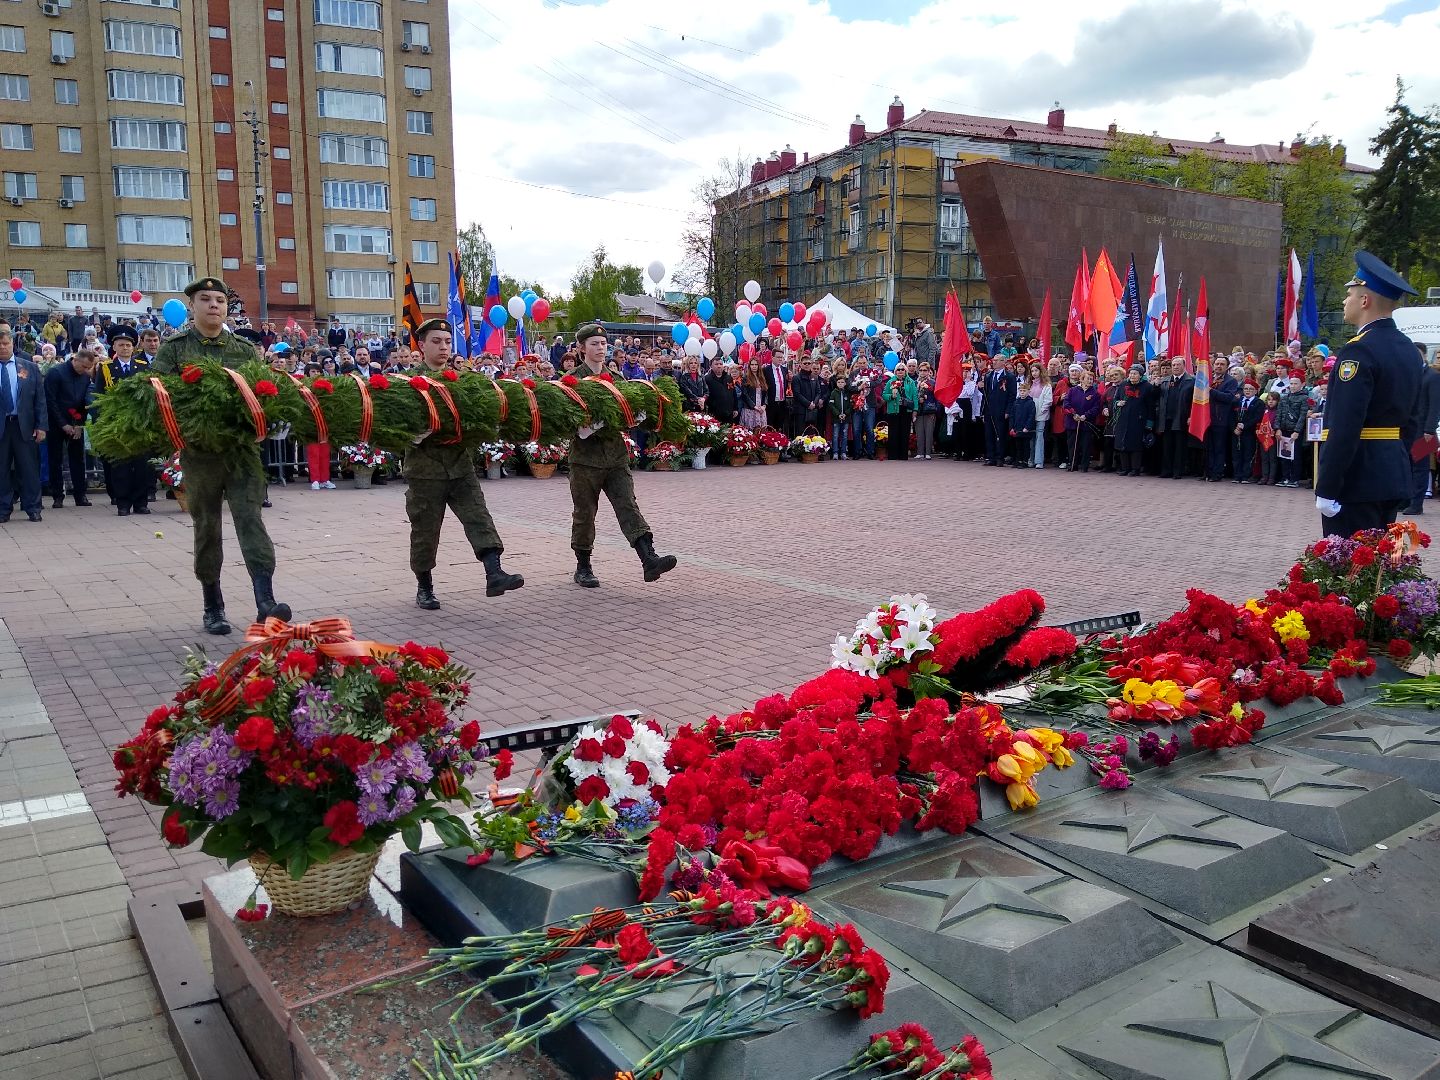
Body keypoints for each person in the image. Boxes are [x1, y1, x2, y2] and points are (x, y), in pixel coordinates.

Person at [152, 276, 290, 634]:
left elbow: (262, 393)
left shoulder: (244, 349)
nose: (214, 305)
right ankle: (212, 605)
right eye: (206, 299)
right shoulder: (175, 348)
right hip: (201, 454)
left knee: (251, 520)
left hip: (241, 452)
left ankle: (265, 601)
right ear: (192, 306)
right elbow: (159, 395)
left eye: (220, 300)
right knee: (208, 527)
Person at [401, 319, 523, 610]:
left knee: (478, 517)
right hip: (425, 470)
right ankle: (425, 586)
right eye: (436, 341)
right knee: (426, 531)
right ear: (421, 345)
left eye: (446, 341)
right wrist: (415, 433)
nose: (443, 347)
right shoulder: (406, 384)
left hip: (460, 465)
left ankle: (494, 573)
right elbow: (395, 429)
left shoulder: (463, 380)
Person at [1317, 251, 1422, 536]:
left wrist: (1327, 486)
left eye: (1349, 294)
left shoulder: (1358, 349)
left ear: (1365, 300)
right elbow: (1412, 421)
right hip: (1390, 474)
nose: (1344, 300)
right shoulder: (1408, 349)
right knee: (1381, 570)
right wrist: (1400, 466)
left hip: (1356, 479)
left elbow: (1345, 424)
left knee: (1349, 571)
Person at [567, 324, 676, 588]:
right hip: (585, 460)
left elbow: (629, 408)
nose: (600, 349)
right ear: (582, 348)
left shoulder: (616, 377)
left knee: (628, 505)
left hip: (615, 457)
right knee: (585, 514)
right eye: (594, 344)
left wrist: (637, 416)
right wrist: (600, 422)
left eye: (603, 344)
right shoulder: (571, 380)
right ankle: (583, 566)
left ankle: (648, 559)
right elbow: (575, 426)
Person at [94, 326, 155, 515]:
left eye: (128, 345)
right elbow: (99, 395)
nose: (125, 348)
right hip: (117, 423)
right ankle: (123, 503)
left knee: (142, 466)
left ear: (133, 347)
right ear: (114, 347)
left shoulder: (143, 367)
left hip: (139, 423)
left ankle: (141, 503)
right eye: (121, 345)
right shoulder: (106, 369)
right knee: (120, 466)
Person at [0, 326, 46, 522]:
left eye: (5, 343)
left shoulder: (28, 367)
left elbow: (40, 400)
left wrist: (41, 426)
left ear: (12, 344)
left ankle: (33, 507)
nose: (2, 347)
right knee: (1, 471)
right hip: (1, 427)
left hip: (23, 425)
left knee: (28, 469)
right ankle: (3, 509)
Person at [44, 346, 95, 508]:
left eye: (89, 368)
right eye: (84, 366)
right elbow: (50, 401)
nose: (86, 370)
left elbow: (82, 404)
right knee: (55, 459)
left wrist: (79, 424)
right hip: (55, 422)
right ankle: (57, 495)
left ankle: (80, 495)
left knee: (78, 460)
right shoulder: (56, 373)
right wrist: (63, 424)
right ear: (75, 359)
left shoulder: (85, 378)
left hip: (75, 421)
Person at [1406, 350, 1440, 514]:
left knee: (1420, 468)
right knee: (1407, 466)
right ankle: (1406, 500)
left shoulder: (1432, 376)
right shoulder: (1409, 373)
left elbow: (1435, 406)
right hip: (1408, 429)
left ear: (1424, 355)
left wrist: (1430, 429)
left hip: (1424, 431)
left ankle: (1416, 504)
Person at [1205, 360, 1241, 482]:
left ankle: (1217, 473)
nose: (1219, 366)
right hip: (1207, 418)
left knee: (1219, 448)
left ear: (1227, 367)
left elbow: (1229, 398)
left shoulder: (1230, 381)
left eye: (1222, 364)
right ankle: (1208, 472)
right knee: (1209, 447)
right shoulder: (1208, 378)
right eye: (1217, 364)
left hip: (1221, 419)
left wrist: (1211, 391)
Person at [1111, 366, 1149, 477]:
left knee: (1135, 445)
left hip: (1138, 419)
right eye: (1131, 373)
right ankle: (1125, 468)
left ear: (1141, 375)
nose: (1132, 375)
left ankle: (1135, 469)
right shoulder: (1123, 385)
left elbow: (1150, 405)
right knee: (1122, 443)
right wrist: (1117, 403)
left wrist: (1149, 423)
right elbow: (1115, 399)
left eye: (1135, 373)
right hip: (1123, 419)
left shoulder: (1146, 387)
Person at [1064, 369, 1102, 472]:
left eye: (1091, 379)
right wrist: (1073, 414)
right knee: (1072, 445)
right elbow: (1066, 403)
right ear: (1082, 379)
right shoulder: (1073, 390)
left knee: (1086, 445)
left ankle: (1084, 466)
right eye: (1088, 379)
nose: (1090, 381)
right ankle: (1073, 464)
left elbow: (1096, 408)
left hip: (1087, 423)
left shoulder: (1095, 393)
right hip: (1073, 422)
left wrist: (1086, 415)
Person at [1275, 375, 1309, 489]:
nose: (1293, 386)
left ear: (1302, 384)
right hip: (1283, 430)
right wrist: (1277, 428)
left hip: (1294, 432)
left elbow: (1302, 416)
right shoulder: (1284, 398)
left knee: (1296, 456)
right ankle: (1285, 477)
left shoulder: (1304, 398)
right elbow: (1279, 414)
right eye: (1291, 383)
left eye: (1296, 383)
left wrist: (1297, 431)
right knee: (1284, 455)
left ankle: (1294, 478)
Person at [981, 356, 1015, 465]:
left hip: (1001, 409)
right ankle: (991, 457)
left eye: (996, 360)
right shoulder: (988, 376)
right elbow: (986, 394)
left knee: (1000, 433)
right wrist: (980, 387)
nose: (994, 362)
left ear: (1003, 362)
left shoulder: (1009, 377)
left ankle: (1000, 457)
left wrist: (1008, 411)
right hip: (989, 410)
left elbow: (1012, 395)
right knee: (989, 433)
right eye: (994, 360)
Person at [882, 362, 917, 461]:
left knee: (904, 433)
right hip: (894, 409)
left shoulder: (910, 382)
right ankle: (893, 455)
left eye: (902, 369)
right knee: (893, 432)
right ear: (895, 371)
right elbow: (884, 395)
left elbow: (915, 397)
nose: (900, 371)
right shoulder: (890, 382)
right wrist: (891, 396)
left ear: (905, 371)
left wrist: (915, 410)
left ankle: (903, 455)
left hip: (906, 409)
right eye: (898, 369)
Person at [1232, 381, 1263, 484]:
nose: (1248, 391)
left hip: (1249, 433)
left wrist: (1245, 425)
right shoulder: (1237, 401)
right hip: (1237, 432)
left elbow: (1257, 417)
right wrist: (1234, 428)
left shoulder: (1258, 403)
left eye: (1250, 389)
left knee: (1248, 454)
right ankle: (1237, 475)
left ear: (1255, 391)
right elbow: (1231, 416)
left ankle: (1246, 475)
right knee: (1237, 454)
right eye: (1246, 389)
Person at [1007, 379, 1037, 468]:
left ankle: (1024, 461)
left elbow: (1031, 416)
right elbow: (1012, 415)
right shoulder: (1016, 402)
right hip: (1017, 428)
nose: (1022, 393)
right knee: (1018, 445)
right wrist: (1011, 427)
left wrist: (1027, 427)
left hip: (1025, 429)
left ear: (1028, 391)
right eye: (1021, 391)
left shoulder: (1030, 403)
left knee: (1026, 446)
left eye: (1024, 391)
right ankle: (1018, 460)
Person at [826, 357, 852, 460]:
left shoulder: (847, 378)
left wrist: (846, 412)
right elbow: (830, 398)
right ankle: (835, 452)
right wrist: (837, 412)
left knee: (845, 434)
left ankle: (843, 452)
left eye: (843, 365)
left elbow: (850, 401)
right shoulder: (832, 379)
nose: (841, 367)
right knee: (835, 434)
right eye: (839, 364)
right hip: (835, 412)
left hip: (845, 413)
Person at [703, 356, 738, 424]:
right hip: (714, 414)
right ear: (711, 366)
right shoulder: (707, 379)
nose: (719, 366)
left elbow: (734, 394)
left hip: (729, 413)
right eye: (716, 364)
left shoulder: (729, 378)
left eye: (721, 364)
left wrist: (735, 408)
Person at [738, 357, 767, 430]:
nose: (754, 366)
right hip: (750, 408)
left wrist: (764, 405)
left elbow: (765, 393)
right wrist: (754, 406)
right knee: (750, 431)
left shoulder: (762, 377)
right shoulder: (746, 377)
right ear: (749, 366)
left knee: (761, 431)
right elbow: (745, 394)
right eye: (752, 364)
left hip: (761, 408)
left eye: (756, 364)